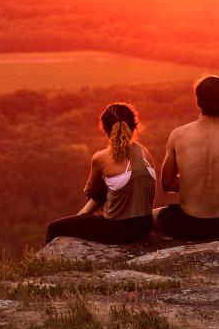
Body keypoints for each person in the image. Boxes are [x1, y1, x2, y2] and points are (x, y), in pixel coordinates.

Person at [45, 102, 157, 245]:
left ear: (105, 129)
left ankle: (81, 217)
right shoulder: (144, 152)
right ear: (134, 126)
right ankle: (81, 216)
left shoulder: (101, 158)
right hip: (145, 226)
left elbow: (90, 190)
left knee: (54, 227)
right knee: (117, 180)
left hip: (118, 229)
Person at [154, 75, 219, 240]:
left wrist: (193, 183)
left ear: (197, 101)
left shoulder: (178, 135)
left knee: (152, 215)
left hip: (188, 224)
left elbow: (167, 183)